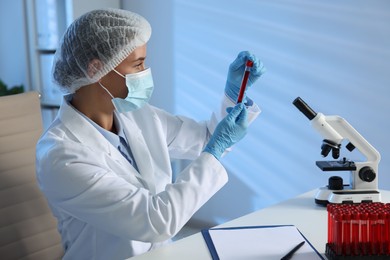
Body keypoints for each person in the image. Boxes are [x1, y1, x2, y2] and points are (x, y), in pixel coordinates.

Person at [35, 8, 265, 260]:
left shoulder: (138, 115)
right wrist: (216, 148)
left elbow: (206, 140)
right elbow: (155, 221)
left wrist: (234, 94)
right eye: (138, 64)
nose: (146, 72)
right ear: (95, 69)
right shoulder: (61, 156)